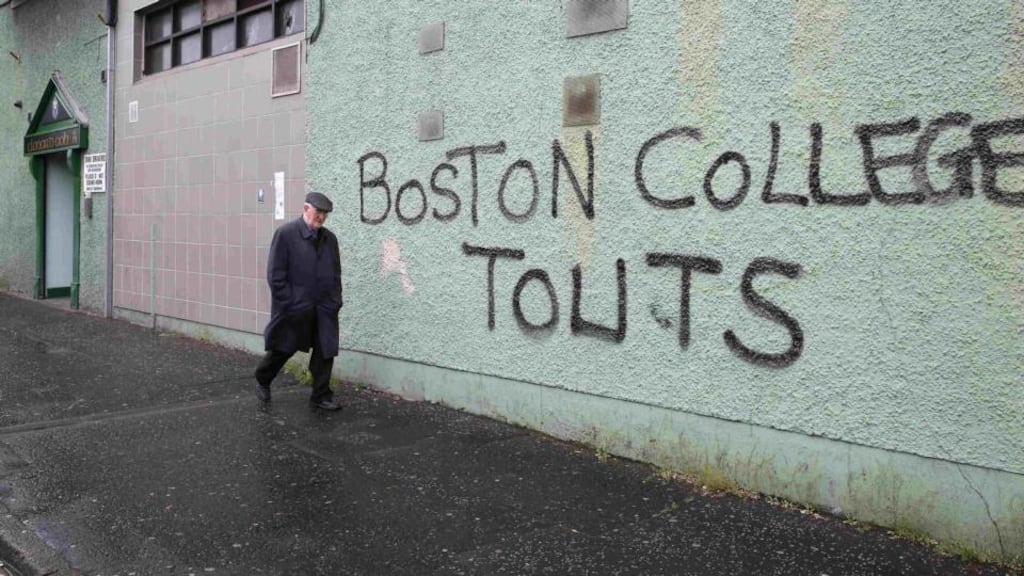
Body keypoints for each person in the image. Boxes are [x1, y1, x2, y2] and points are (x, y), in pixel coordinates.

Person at [254, 192, 343, 411]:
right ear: (305, 209)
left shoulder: (329, 239)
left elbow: (335, 273)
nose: (321, 217)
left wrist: (335, 300)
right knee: (283, 348)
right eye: (318, 212)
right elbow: (275, 275)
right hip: (295, 307)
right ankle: (262, 379)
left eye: (325, 214)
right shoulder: (286, 234)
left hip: (323, 307)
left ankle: (321, 395)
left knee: (325, 350)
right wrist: (290, 302)